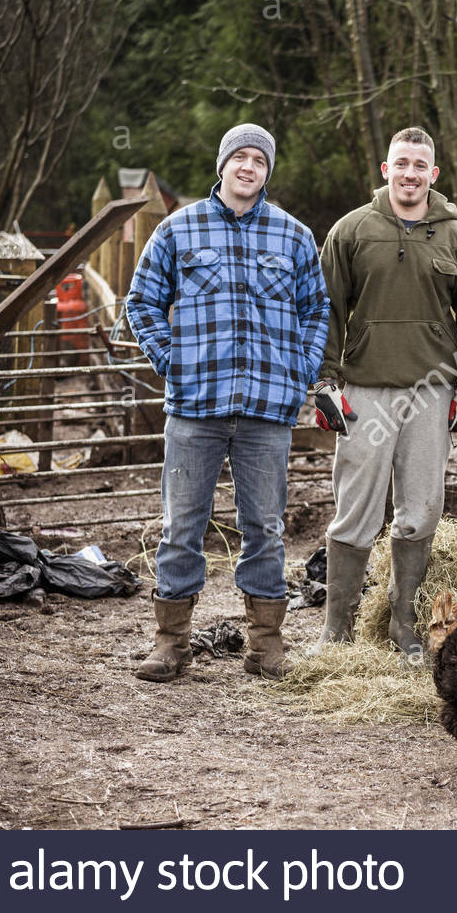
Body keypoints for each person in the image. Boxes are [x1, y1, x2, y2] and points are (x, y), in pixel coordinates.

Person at [126, 123, 330, 682]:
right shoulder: (178, 229)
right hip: (195, 406)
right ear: (223, 165)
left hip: (268, 408)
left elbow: (317, 311)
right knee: (181, 524)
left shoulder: (293, 236)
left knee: (264, 526)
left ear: (267, 171)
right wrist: (173, 360)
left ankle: (265, 644)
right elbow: (141, 302)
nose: (248, 168)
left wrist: (302, 369)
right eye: (239, 157)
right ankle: (171, 643)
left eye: (259, 161)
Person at [312, 127, 457, 658]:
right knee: (356, 508)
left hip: (432, 392)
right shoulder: (352, 231)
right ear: (386, 170)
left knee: (422, 508)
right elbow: (327, 310)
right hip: (364, 390)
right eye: (400, 164)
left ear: (434, 175)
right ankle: (336, 631)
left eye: (420, 166)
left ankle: (403, 623)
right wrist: (325, 381)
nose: (409, 174)